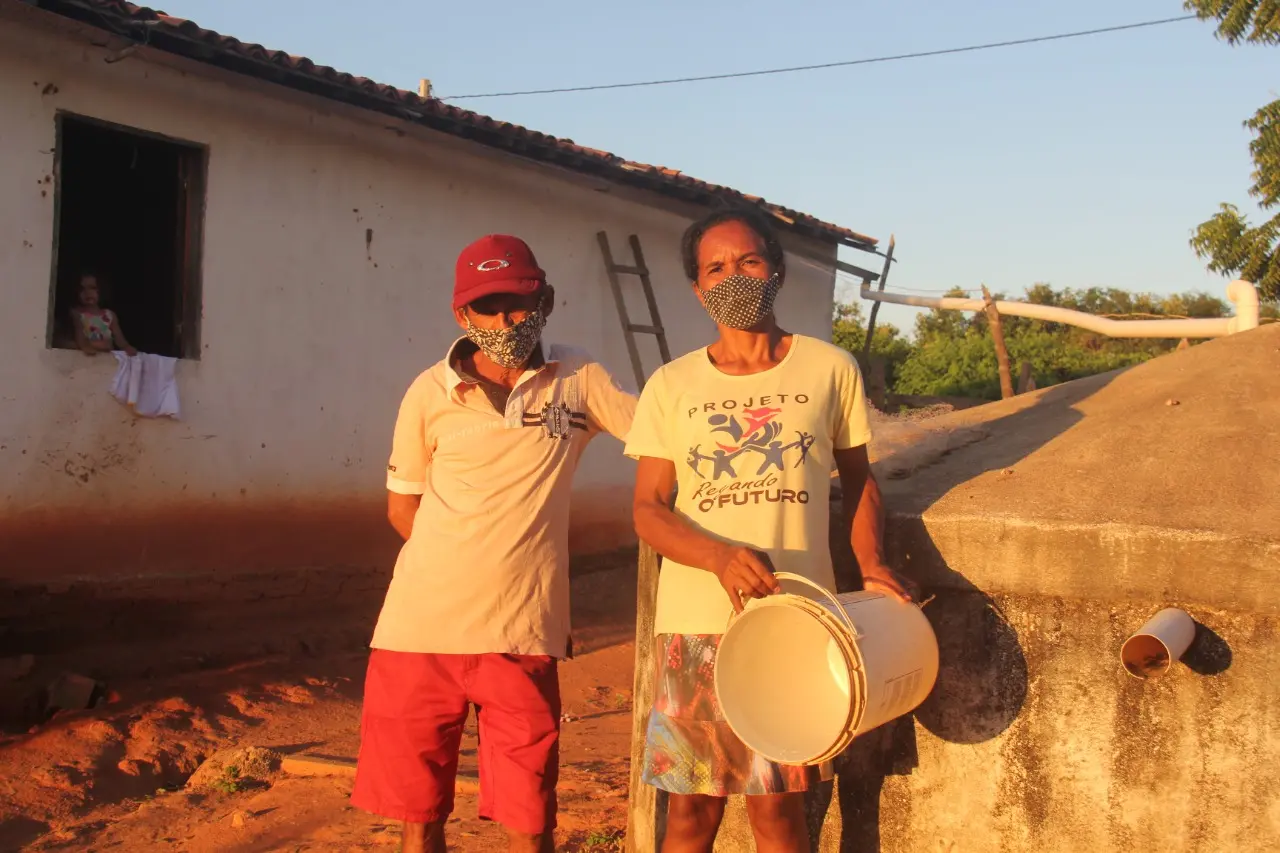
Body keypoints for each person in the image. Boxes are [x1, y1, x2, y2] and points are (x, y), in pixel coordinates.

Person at [624, 206, 916, 853]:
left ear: (777, 270)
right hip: (697, 628)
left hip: (796, 623)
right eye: (716, 268)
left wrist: (871, 563)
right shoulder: (671, 385)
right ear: (697, 288)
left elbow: (859, 481)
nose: (733, 276)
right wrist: (717, 556)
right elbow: (648, 508)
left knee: (780, 813)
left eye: (749, 260)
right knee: (690, 814)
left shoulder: (829, 368)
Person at [351, 234, 637, 853]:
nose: (506, 321)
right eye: (489, 307)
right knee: (418, 818)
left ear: (547, 301)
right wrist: (466, 560)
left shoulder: (579, 378)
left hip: (521, 631)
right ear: (463, 315)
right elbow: (403, 506)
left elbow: (655, 434)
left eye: (519, 303)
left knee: (529, 817)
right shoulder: (429, 392)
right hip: (417, 633)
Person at [71, 272, 136, 356]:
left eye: (92, 288)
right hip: (87, 356)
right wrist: (92, 346)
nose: (87, 292)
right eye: (82, 289)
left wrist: (126, 347)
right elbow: (79, 338)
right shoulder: (77, 314)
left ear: (101, 290)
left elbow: (119, 339)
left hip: (106, 358)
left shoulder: (109, 315)